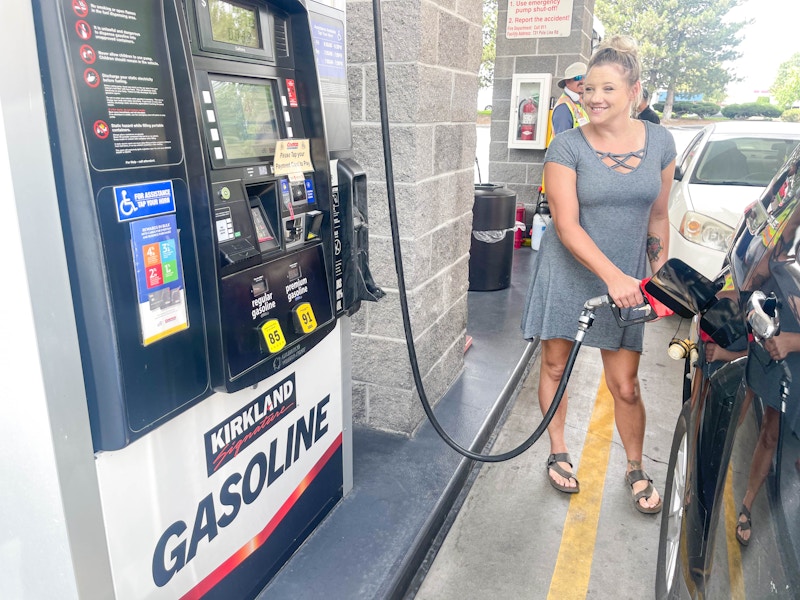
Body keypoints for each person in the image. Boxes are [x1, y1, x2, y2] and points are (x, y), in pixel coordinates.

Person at [521, 35, 676, 513]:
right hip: (571, 274)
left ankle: (634, 465)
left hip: (627, 283)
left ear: (634, 92)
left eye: (607, 89)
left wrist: (662, 280)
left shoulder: (661, 142)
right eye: (588, 89)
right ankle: (559, 450)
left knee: (625, 384)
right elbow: (566, 226)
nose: (595, 98)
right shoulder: (566, 147)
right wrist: (613, 277)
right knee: (554, 366)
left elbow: (657, 217)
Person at [549, 62, 590, 140]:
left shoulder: (578, 104)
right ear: (567, 82)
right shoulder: (563, 108)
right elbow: (563, 144)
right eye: (578, 78)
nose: (583, 81)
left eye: (585, 77)